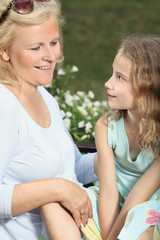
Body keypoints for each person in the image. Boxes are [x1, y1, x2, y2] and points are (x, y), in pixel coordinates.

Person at [0, 0, 100, 239]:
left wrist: (120, 153)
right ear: (4, 51)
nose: (52, 56)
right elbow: (62, 182)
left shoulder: (43, 95)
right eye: (36, 48)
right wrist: (56, 189)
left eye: (54, 42)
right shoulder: (5, 106)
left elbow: (71, 168)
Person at [95, 35, 160, 240]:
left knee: (140, 218)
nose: (108, 83)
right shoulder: (106, 126)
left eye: (120, 77)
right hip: (116, 202)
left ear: (146, 88)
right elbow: (108, 193)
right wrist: (109, 237)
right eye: (112, 74)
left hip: (147, 205)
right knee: (67, 205)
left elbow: (138, 197)